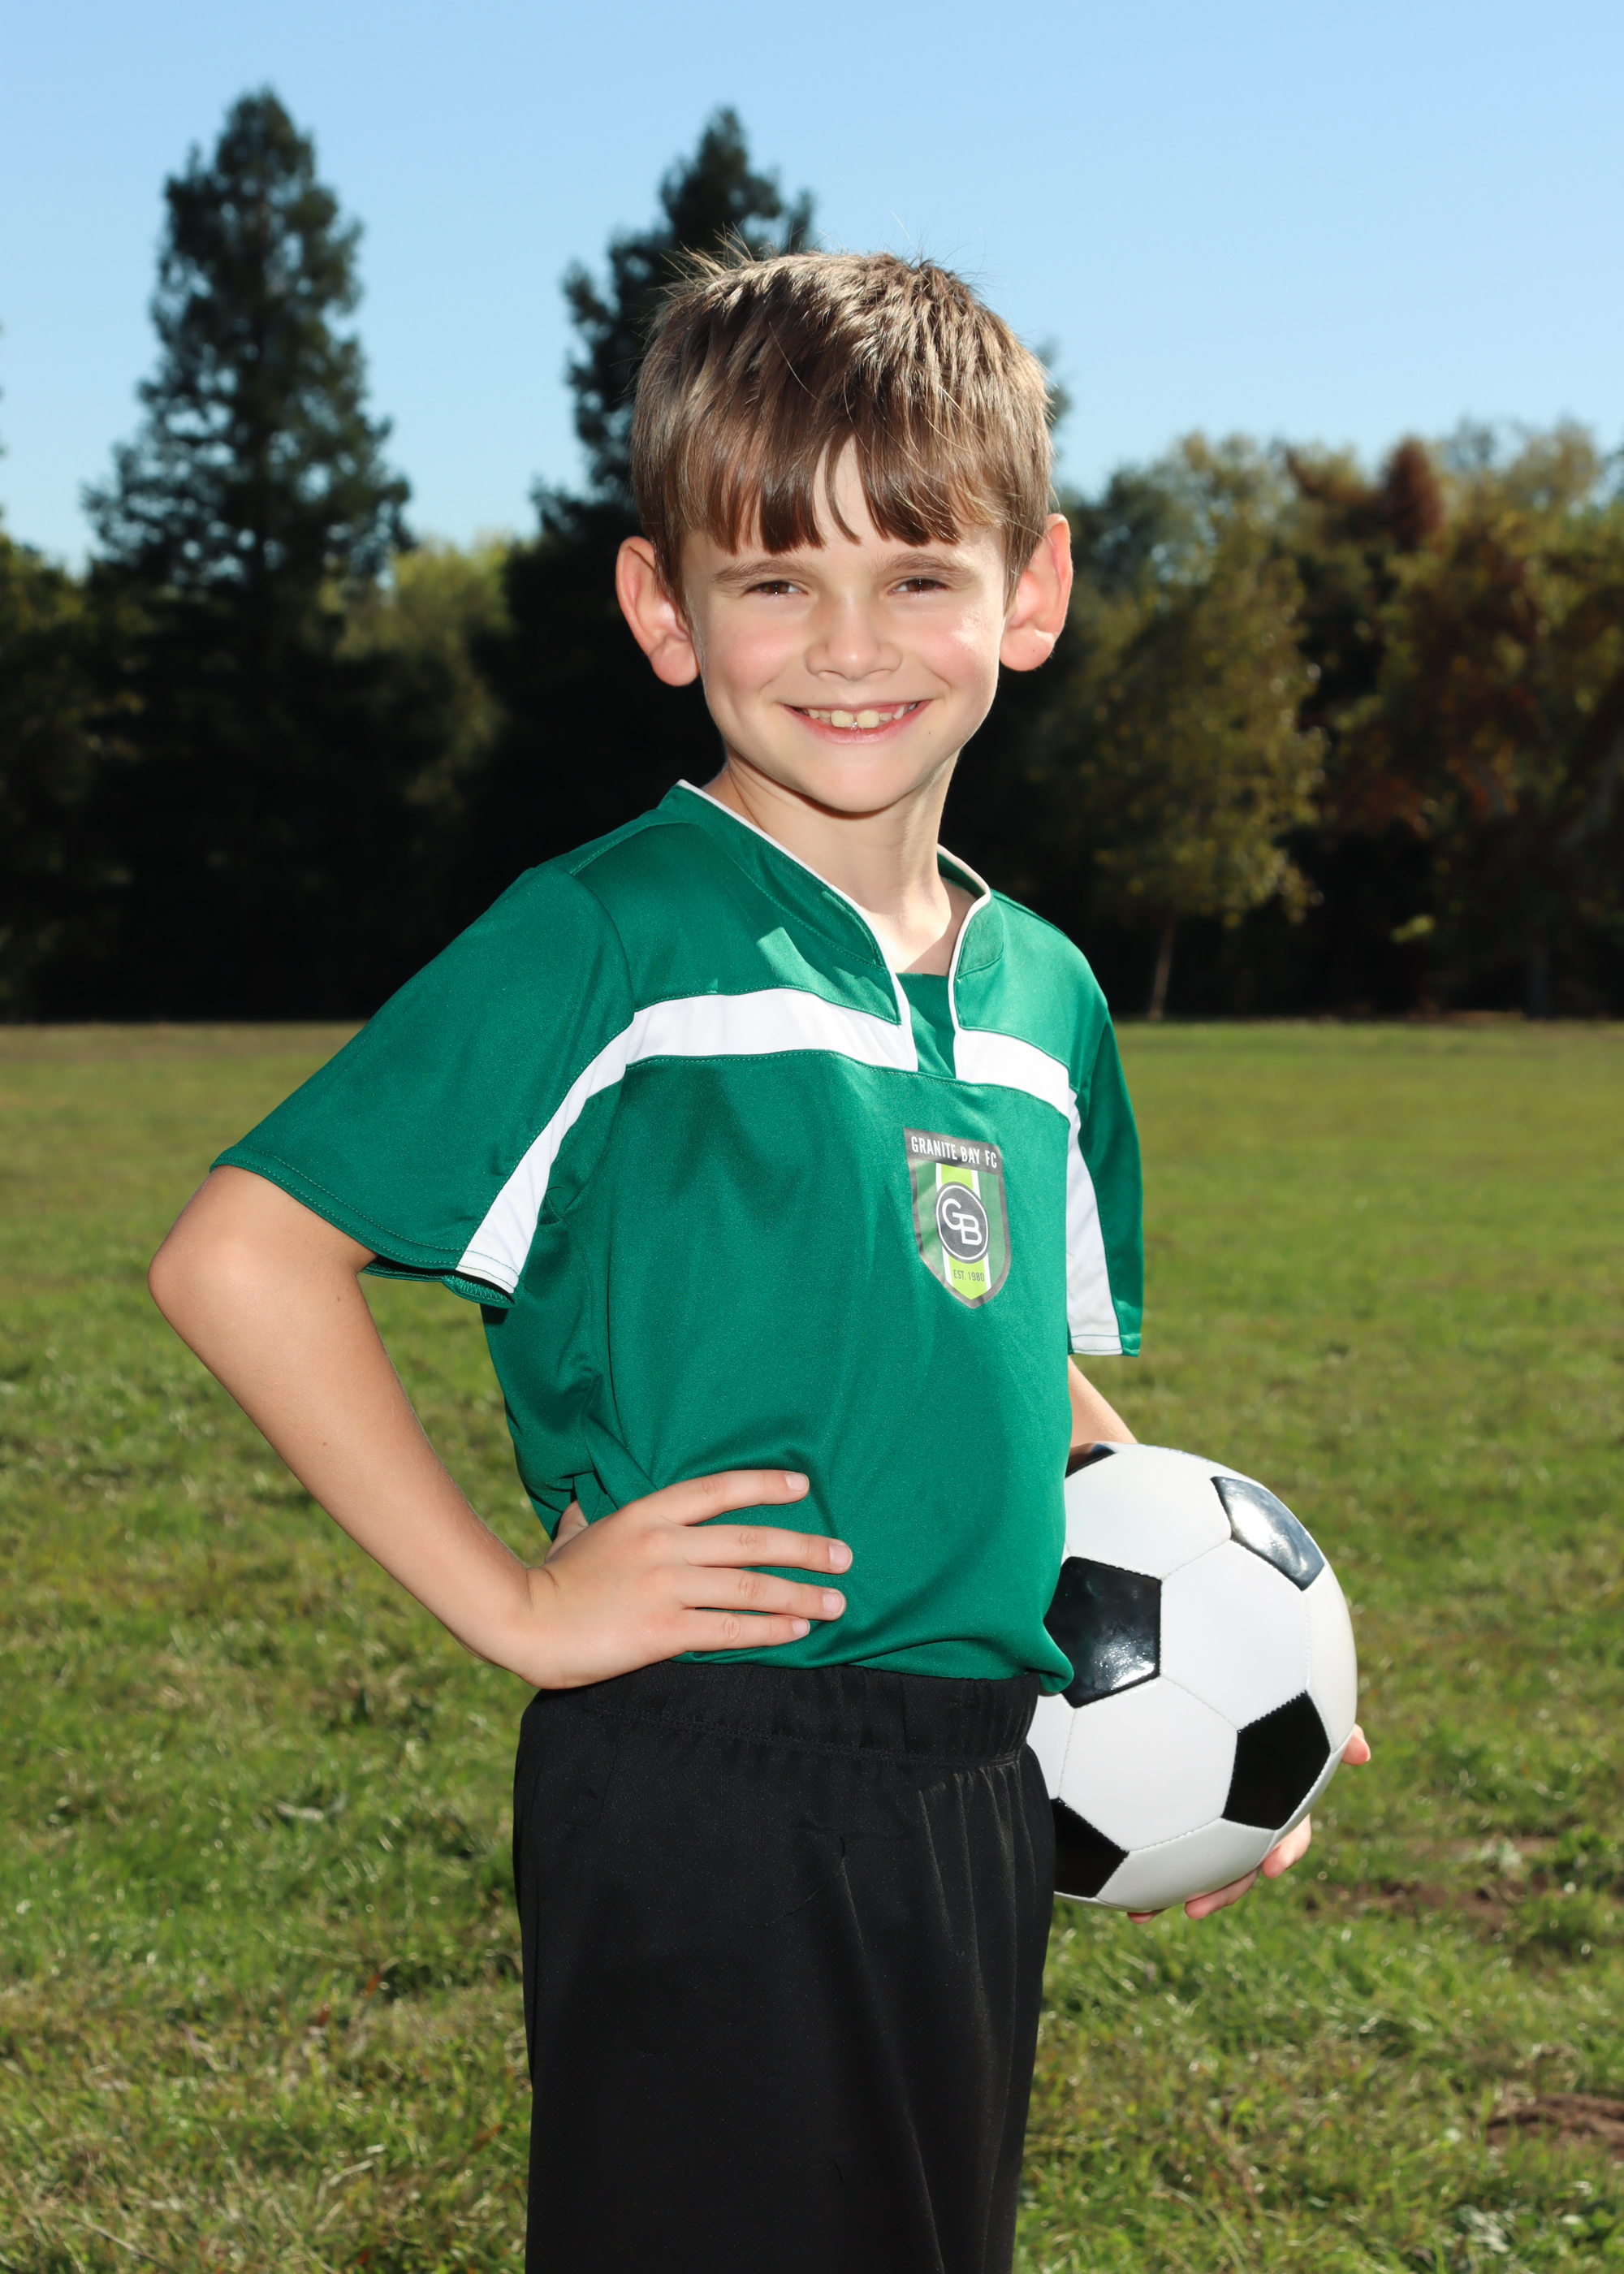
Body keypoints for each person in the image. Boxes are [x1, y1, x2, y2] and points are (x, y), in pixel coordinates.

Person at [149, 250, 1367, 2274]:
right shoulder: (614, 935)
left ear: (1032, 590)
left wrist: (1237, 1704)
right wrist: (518, 1605)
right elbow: (239, 1258)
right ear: (664, 607)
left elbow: (997, 1361)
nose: (849, 645)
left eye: (917, 573)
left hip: (972, 1788)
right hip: (709, 1768)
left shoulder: (1041, 996)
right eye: (776, 578)